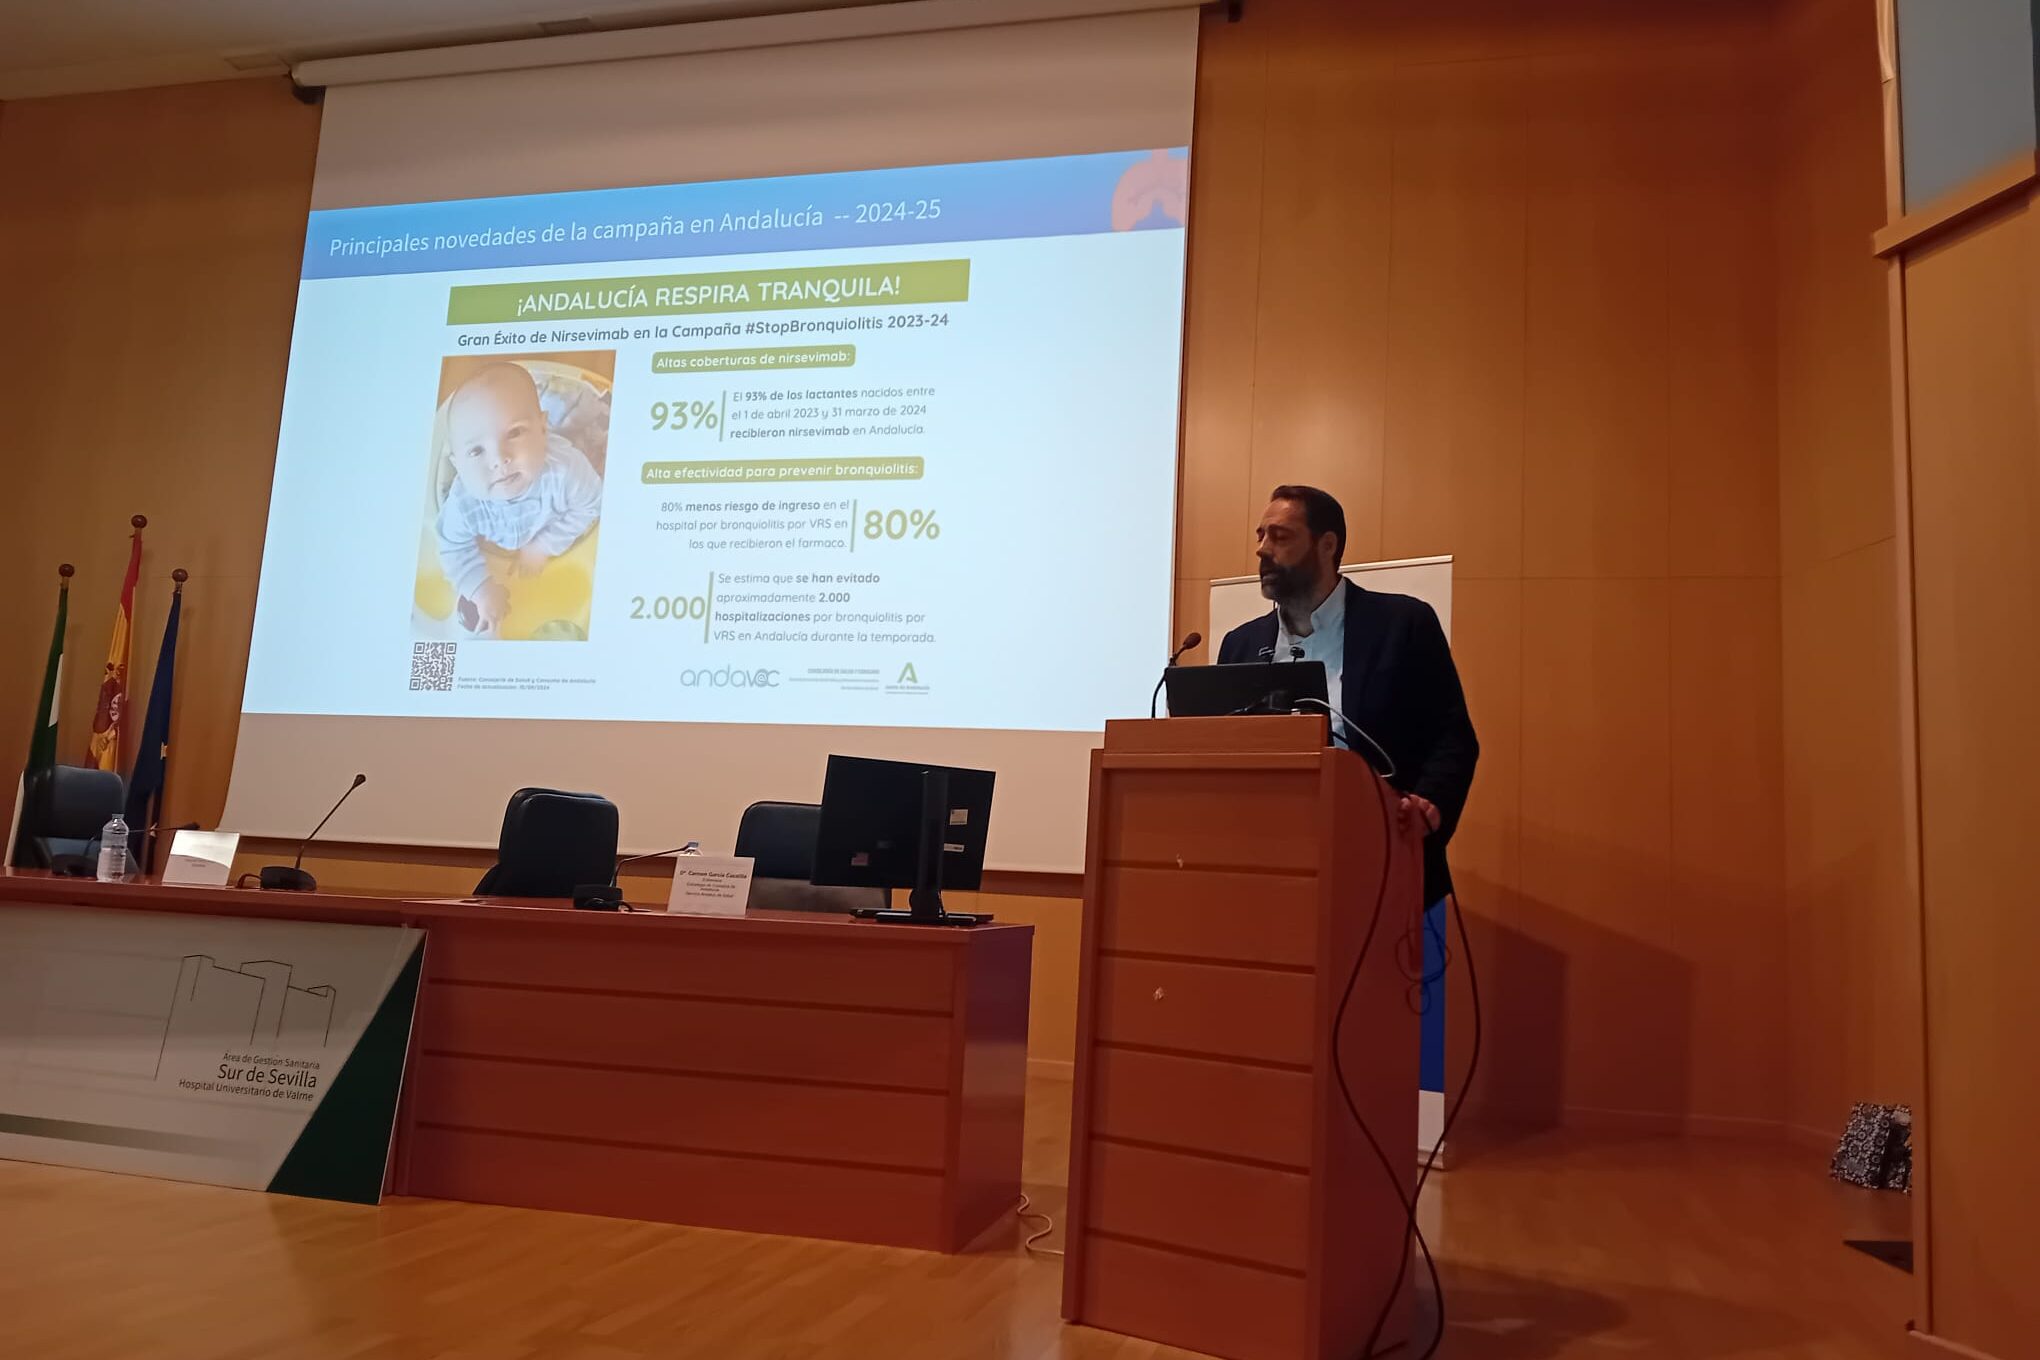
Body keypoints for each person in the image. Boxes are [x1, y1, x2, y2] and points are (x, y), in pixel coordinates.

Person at [1217, 485, 1478, 905]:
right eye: (1261, 536)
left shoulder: (1402, 624)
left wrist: (1429, 803)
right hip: (1266, 868)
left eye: (1280, 536)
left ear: (1327, 545)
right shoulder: (1240, 645)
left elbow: (1453, 738)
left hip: (1384, 862)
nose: (1262, 550)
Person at [436, 362, 603, 634]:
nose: (500, 459)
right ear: (457, 465)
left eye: (514, 433)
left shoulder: (566, 471)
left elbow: (591, 504)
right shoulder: (463, 504)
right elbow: (452, 546)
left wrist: (544, 545)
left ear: (543, 429)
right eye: (476, 451)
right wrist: (479, 587)